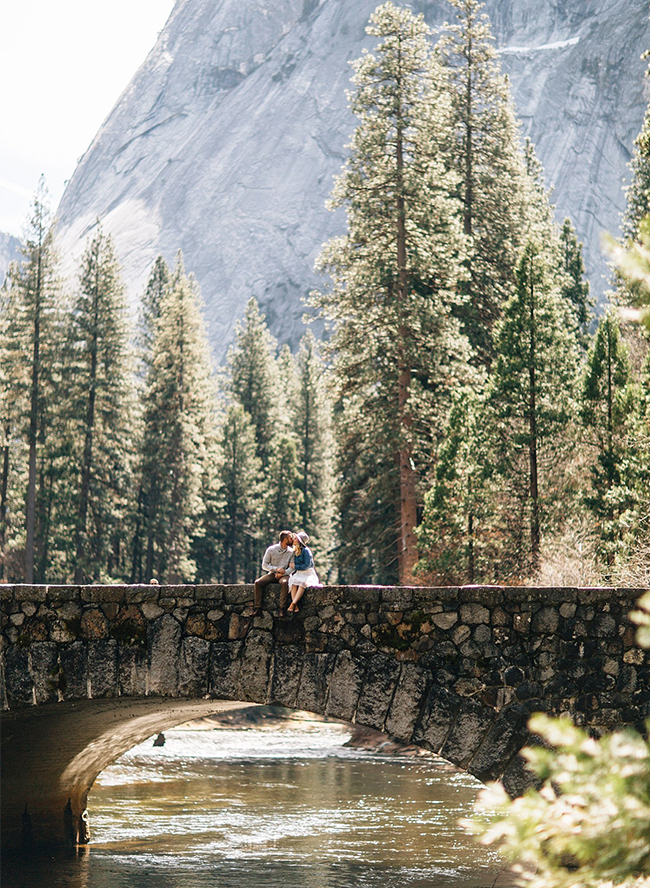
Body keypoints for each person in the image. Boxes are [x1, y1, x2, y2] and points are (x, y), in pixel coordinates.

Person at [253, 530, 294, 617]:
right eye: (290, 538)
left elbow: (292, 568)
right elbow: (264, 565)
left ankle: (282, 609)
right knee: (258, 582)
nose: (292, 540)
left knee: (284, 583)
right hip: (272, 573)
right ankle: (258, 608)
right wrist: (276, 569)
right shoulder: (271, 550)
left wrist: (283, 573)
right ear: (285, 539)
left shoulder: (291, 552)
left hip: (285, 575)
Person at [287, 531, 319, 613]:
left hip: (307, 573)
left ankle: (293, 603)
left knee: (302, 584)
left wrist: (295, 566)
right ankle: (295, 605)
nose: (293, 540)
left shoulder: (306, 551)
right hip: (299, 573)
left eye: (295, 539)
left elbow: (307, 565)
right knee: (293, 583)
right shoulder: (296, 550)